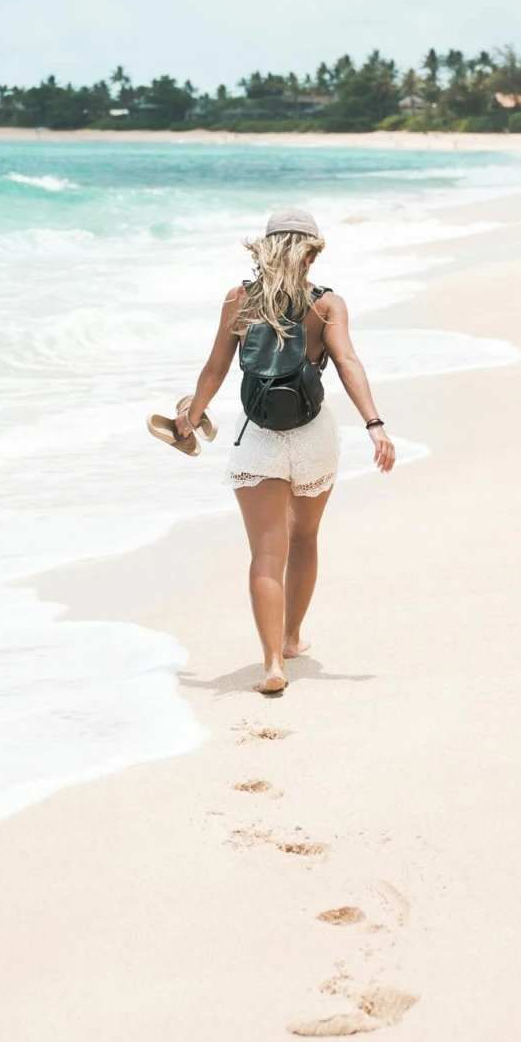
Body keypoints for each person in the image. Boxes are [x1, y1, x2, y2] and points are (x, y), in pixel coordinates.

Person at [174, 207, 395, 695]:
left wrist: (190, 418)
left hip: (258, 438)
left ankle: (273, 663)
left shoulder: (239, 299)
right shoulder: (327, 304)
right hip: (313, 435)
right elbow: (347, 362)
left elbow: (214, 369)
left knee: (266, 554)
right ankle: (293, 638)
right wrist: (374, 425)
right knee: (305, 540)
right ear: (312, 254)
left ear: (264, 250)